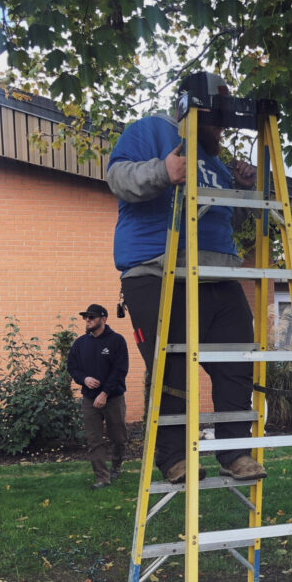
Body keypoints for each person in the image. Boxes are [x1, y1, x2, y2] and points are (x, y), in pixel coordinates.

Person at [107, 72, 266, 484]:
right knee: (172, 368)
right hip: (157, 271)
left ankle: (235, 452)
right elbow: (117, 178)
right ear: (195, 104)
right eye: (218, 116)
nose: (223, 128)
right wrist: (164, 170)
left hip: (217, 273)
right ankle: (175, 457)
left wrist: (244, 191)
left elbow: (229, 219)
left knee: (235, 363)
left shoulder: (214, 161)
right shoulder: (151, 131)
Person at [66, 304, 129, 489]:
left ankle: (116, 466)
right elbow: (72, 367)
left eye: (91, 317)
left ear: (103, 319)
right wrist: (83, 379)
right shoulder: (80, 344)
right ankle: (102, 478)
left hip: (113, 398)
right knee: (94, 440)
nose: (87, 320)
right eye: (85, 317)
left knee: (118, 437)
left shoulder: (117, 341)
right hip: (89, 400)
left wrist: (104, 393)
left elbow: (120, 370)